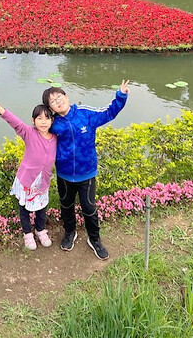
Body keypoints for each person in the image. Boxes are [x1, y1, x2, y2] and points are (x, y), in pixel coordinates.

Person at [42, 80, 130, 260]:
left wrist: (120, 96)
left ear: (67, 97)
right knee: (66, 206)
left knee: (89, 207)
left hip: (87, 173)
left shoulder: (85, 114)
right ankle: (70, 233)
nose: (58, 101)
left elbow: (109, 112)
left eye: (59, 96)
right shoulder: (54, 124)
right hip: (64, 174)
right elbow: (38, 130)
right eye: (52, 101)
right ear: (50, 108)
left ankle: (95, 239)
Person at [0, 94, 57, 251]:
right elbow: (14, 122)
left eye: (47, 118)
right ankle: (27, 233)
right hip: (27, 181)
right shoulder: (29, 133)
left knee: (42, 208)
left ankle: (40, 230)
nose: (43, 122)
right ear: (33, 121)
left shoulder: (56, 138)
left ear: (52, 121)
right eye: (39, 118)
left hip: (42, 182)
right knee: (24, 209)